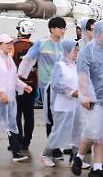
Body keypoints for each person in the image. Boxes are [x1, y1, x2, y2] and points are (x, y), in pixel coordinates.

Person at [72, 21, 103, 177]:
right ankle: (79, 157)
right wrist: (85, 95)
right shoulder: (88, 51)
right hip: (94, 99)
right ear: (99, 33)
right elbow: (82, 75)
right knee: (93, 132)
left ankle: (98, 167)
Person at [17, 16, 66, 159]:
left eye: (64, 28)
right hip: (47, 85)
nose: (63, 30)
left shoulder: (64, 45)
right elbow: (28, 59)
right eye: (60, 28)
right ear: (52, 29)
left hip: (62, 86)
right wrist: (21, 77)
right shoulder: (42, 43)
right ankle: (54, 148)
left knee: (60, 116)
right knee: (51, 116)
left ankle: (55, 146)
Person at [0, 34, 32, 162]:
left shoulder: (9, 58)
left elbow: (13, 78)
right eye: (7, 43)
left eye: (11, 43)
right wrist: (1, 92)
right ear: (0, 44)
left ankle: (16, 152)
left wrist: (24, 86)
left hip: (9, 98)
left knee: (12, 123)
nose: (10, 45)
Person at [39, 40, 89, 168]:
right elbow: (55, 85)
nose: (76, 52)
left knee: (78, 130)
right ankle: (46, 154)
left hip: (76, 105)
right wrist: (71, 92)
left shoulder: (78, 66)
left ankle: (76, 158)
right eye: (75, 50)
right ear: (67, 50)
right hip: (62, 105)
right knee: (59, 130)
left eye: (78, 50)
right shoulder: (60, 66)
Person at [12, 20, 36, 150]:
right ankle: (26, 142)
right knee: (29, 114)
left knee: (16, 114)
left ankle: (17, 141)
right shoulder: (35, 46)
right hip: (33, 84)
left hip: (18, 85)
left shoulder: (14, 45)